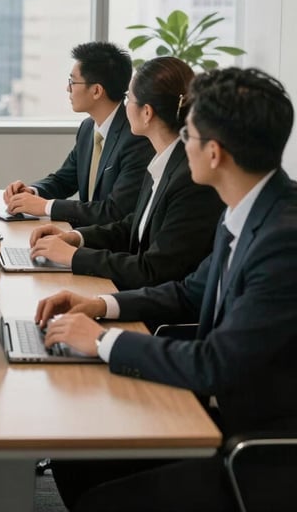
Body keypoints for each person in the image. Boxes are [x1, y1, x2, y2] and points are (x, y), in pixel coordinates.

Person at [36, 67, 297, 512]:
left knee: (102, 495)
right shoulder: (249, 210)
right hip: (217, 410)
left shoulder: (282, 240)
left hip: (255, 444)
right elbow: (188, 291)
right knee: (76, 456)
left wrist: (101, 341)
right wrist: (99, 304)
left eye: (190, 135)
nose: (182, 144)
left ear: (213, 153)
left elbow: (216, 363)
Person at [27, 57, 224, 290]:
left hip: (154, 309)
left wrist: (74, 257)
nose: (125, 104)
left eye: (129, 97)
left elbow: (153, 269)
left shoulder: (189, 179)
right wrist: (76, 238)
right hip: (137, 291)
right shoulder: (163, 161)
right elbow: (133, 226)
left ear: (147, 113)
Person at [3, 42, 153, 226]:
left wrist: (46, 207)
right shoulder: (88, 127)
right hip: (83, 237)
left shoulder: (135, 138)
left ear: (96, 90)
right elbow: (64, 179)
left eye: (72, 82)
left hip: (107, 246)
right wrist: (33, 191)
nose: (68, 89)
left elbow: (113, 211)